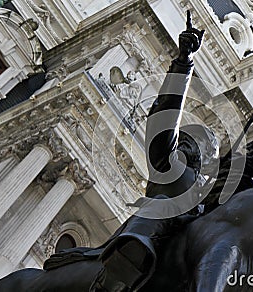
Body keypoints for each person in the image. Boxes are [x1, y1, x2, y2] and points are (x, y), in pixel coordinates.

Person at [89, 10, 220, 291]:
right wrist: (184, 64)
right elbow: (166, 113)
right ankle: (110, 280)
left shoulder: (206, 200)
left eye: (202, 146)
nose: (189, 144)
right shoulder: (169, 165)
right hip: (141, 248)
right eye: (187, 138)